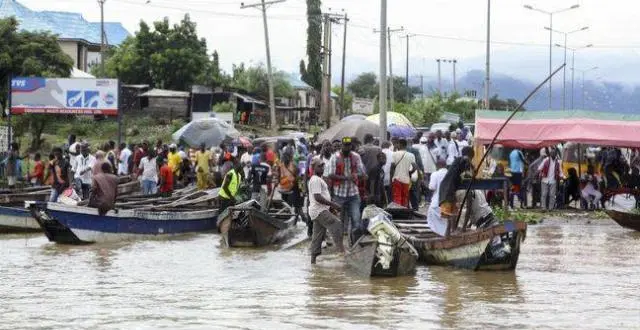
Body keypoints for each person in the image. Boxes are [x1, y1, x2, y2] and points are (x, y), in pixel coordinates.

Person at [324, 137, 366, 239]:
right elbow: (331, 175)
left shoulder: (356, 157)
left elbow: (363, 173)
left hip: (353, 193)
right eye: (345, 145)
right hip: (339, 194)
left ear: (351, 146)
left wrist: (356, 176)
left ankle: (354, 243)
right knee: (338, 221)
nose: (347, 147)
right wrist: (346, 178)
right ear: (342, 146)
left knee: (356, 220)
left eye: (349, 145)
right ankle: (339, 244)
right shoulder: (335, 157)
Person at [308, 158, 345, 264]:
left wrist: (331, 207)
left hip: (317, 211)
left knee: (317, 237)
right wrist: (333, 205)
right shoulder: (315, 179)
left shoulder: (318, 179)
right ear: (313, 167)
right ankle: (341, 251)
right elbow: (318, 197)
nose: (322, 168)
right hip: (319, 210)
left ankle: (313, 261)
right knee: (336, 223)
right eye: (319, 166)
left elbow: (323, 196)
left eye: (323, 166)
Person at [390, 139, 417, 207]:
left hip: (397, 179)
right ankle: (404, 211)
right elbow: (414, 167)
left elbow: (392, 167)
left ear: (401, 144)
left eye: (398, 144)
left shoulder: (395, 154)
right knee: (405, 197)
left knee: (397, 197)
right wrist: (410, 173)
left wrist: (391, 178)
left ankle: (398, 212)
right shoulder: (411, 155)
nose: (397, 145)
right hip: (406, 180)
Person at [427, 159, 448, 236]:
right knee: (445, 221)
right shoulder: (450, 173)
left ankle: (436, 234)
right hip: (448, 203)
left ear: (438, 166)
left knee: (432, 220)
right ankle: (444, 235)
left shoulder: (435, 174)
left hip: (436, 202)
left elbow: (432, 187)